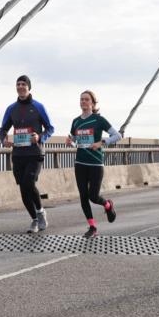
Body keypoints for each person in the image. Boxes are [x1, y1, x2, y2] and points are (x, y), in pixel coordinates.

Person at [0, 75, 54, 234]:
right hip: (18, 154)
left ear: (29, 87)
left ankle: (40, 211)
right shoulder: (11, 108)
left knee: (28, 183)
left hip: (35, 153)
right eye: (18, 84)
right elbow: (3, 129)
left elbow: (50, 128)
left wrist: (40, 137)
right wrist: (3, 140)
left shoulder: (38, 106)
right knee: (23, 189)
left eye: (23, 84)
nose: (20, 87)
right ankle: (35, 219)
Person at [67, 90, 120, 238]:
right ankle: (92, 227)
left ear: (93, 103)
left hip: (96, 164)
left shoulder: (99, 120)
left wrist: (101, 142)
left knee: (93, 196)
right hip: (80, 163)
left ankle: (108, 205)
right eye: (81, 99)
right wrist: (70, 142)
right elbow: (75, 142)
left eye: (86, 100)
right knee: (83, 196)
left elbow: (117, 135)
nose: (83, 102)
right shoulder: (76, 121)